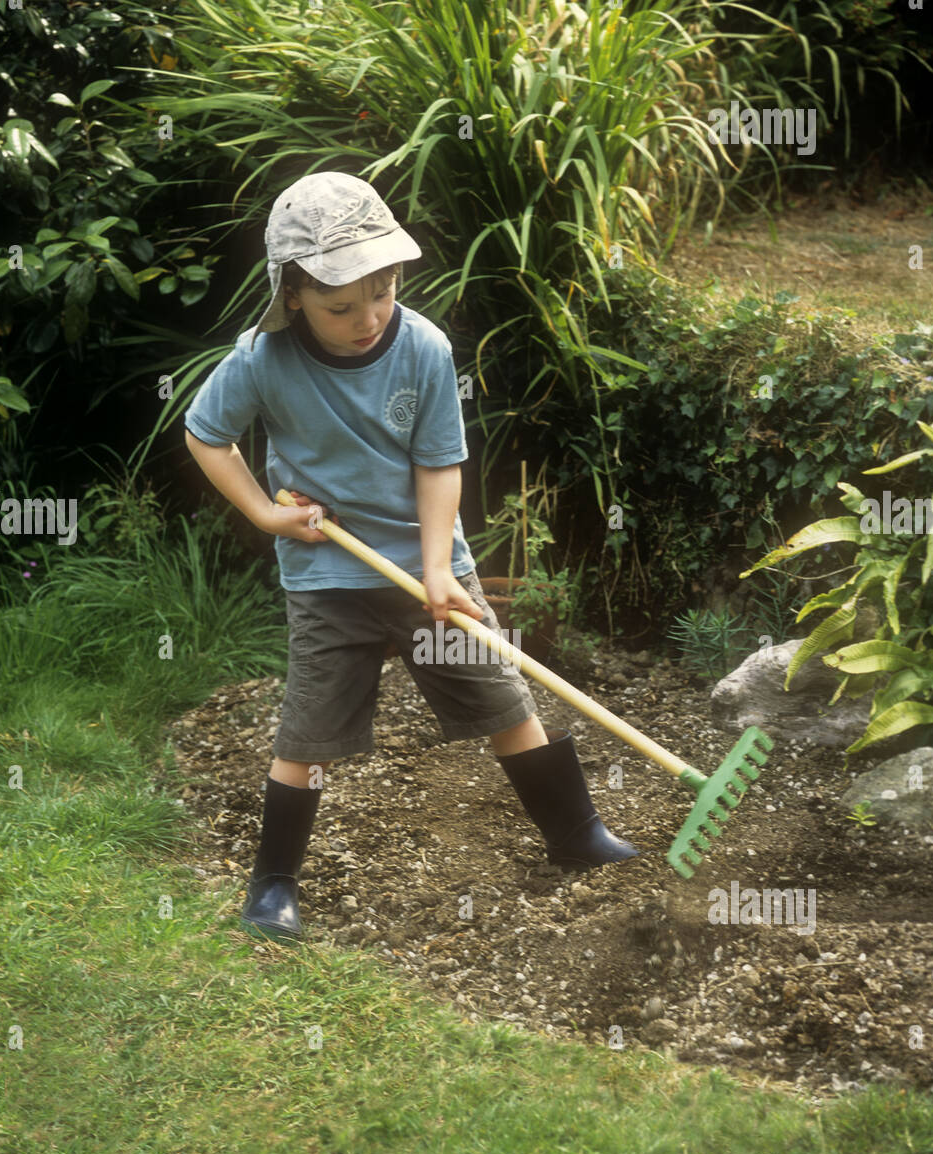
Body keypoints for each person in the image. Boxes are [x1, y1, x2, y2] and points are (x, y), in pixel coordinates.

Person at [184, 171, 637, 944]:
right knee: (306, 737)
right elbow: (205, 432)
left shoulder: (423, 347)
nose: (368, 319)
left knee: (502, 699)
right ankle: (272, 887)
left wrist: (436, 569)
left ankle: (575, 835)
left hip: (428, 567)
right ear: (292, 294)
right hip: (327, 578)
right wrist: (264, 513)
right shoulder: (263, 359)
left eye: (384, 292)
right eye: (341, 306)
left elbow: (438, 465)